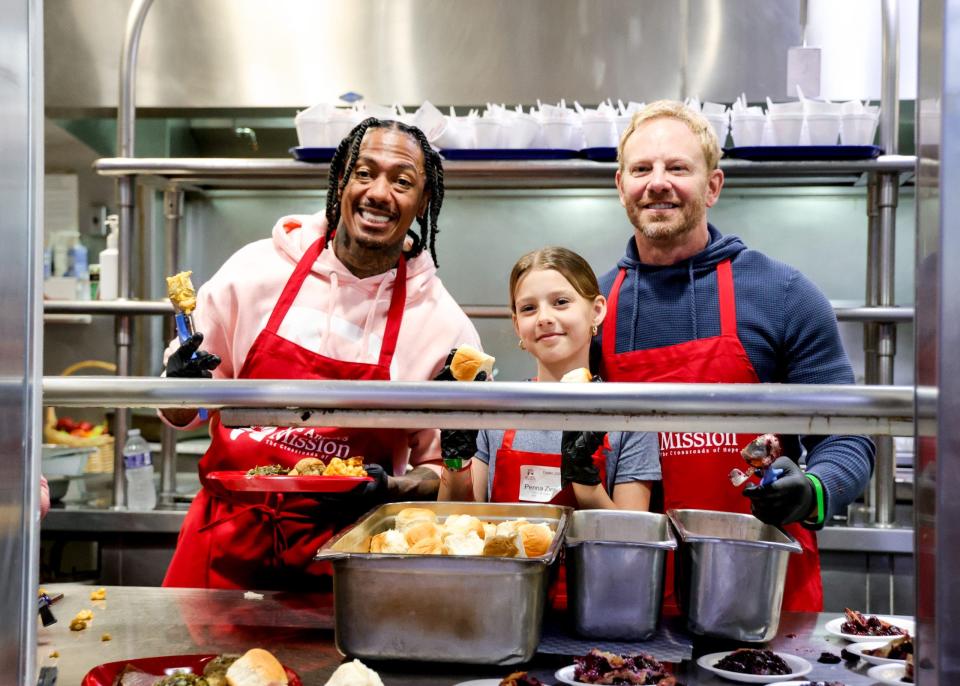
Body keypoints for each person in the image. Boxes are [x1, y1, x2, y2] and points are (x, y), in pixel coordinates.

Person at [160, 118, 482, 590]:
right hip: (218, 550)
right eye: (365, 173)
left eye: (402, 181)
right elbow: (183, 411)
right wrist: (177, 384)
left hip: (343, 565)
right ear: (339, 181)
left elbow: (445, 471)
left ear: (423, 201)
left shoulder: (442, 324)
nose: (378, 193)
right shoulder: (255, 271)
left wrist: (388, 489)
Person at [599, 100, 875, 612]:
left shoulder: (784, 293)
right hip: (631, 596)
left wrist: (813, 489)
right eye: (642, 169)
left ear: (713, 186)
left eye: (678, 167)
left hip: (761, 592)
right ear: (621, 187)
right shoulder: (595, 306)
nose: (658, 182)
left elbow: (849, 436)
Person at [439, 246, 660, 510]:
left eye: (561, 302)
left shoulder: (630, 420)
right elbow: (455, 522)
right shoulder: (494, 409)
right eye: (529, 308)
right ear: (517, 324)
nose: (544, 318)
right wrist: (456, 457)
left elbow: (629, 543)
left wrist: (583, 476)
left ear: (597, 311)